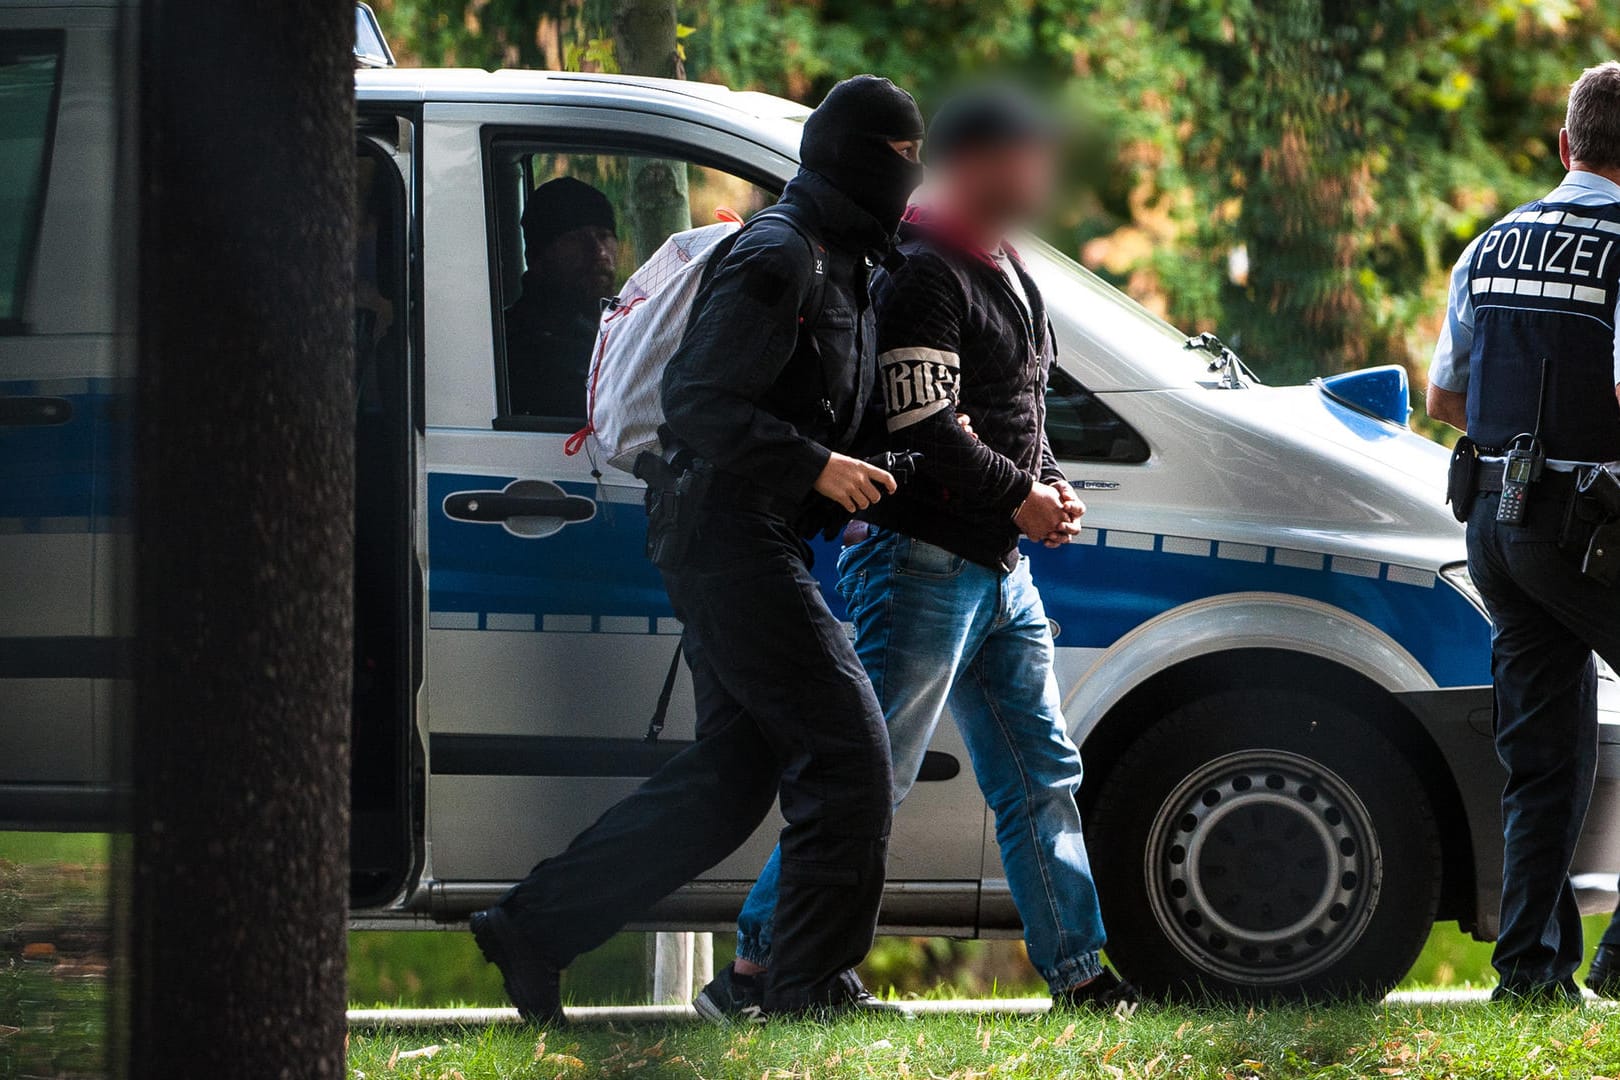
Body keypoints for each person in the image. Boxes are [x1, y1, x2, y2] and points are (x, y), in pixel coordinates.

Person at [469, 75, 927, 1023]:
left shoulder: (844, 261)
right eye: (898, 155)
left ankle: (533, 929)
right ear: (850, 157)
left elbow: (814, 402)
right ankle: (806, 988)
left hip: (753, 536)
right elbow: (699, 403)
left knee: (730, 782)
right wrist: (815, 467)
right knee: (849, 752)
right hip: (727, 535)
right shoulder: (779, 255)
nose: (912, 175)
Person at [694, 85, 1137, 1024]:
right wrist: (1019, 495)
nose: (1044, 176)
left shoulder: (1007, 264)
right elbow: (923, 421)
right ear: (979, 164)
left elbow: (1022, 405)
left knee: (1040, 772)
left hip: (997, 569)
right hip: (918, 560)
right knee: (869, 775)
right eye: (1030, 157)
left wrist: (1047, 488)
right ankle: (758, 969)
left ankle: (1081, 974)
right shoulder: (925, 267)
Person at [1427, 60, 1620, 1005]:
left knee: (1541, 754)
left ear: (1564, 144)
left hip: (1496, 523)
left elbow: (1444, 394)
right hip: (1598, 527)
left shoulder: (1494, 241)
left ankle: (1532, 973)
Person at [504, 176, 619, 418]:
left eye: (603, 234)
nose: (598, 251)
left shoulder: (622, 322)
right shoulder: (518, 345)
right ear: (537, 255)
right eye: (576, 238)